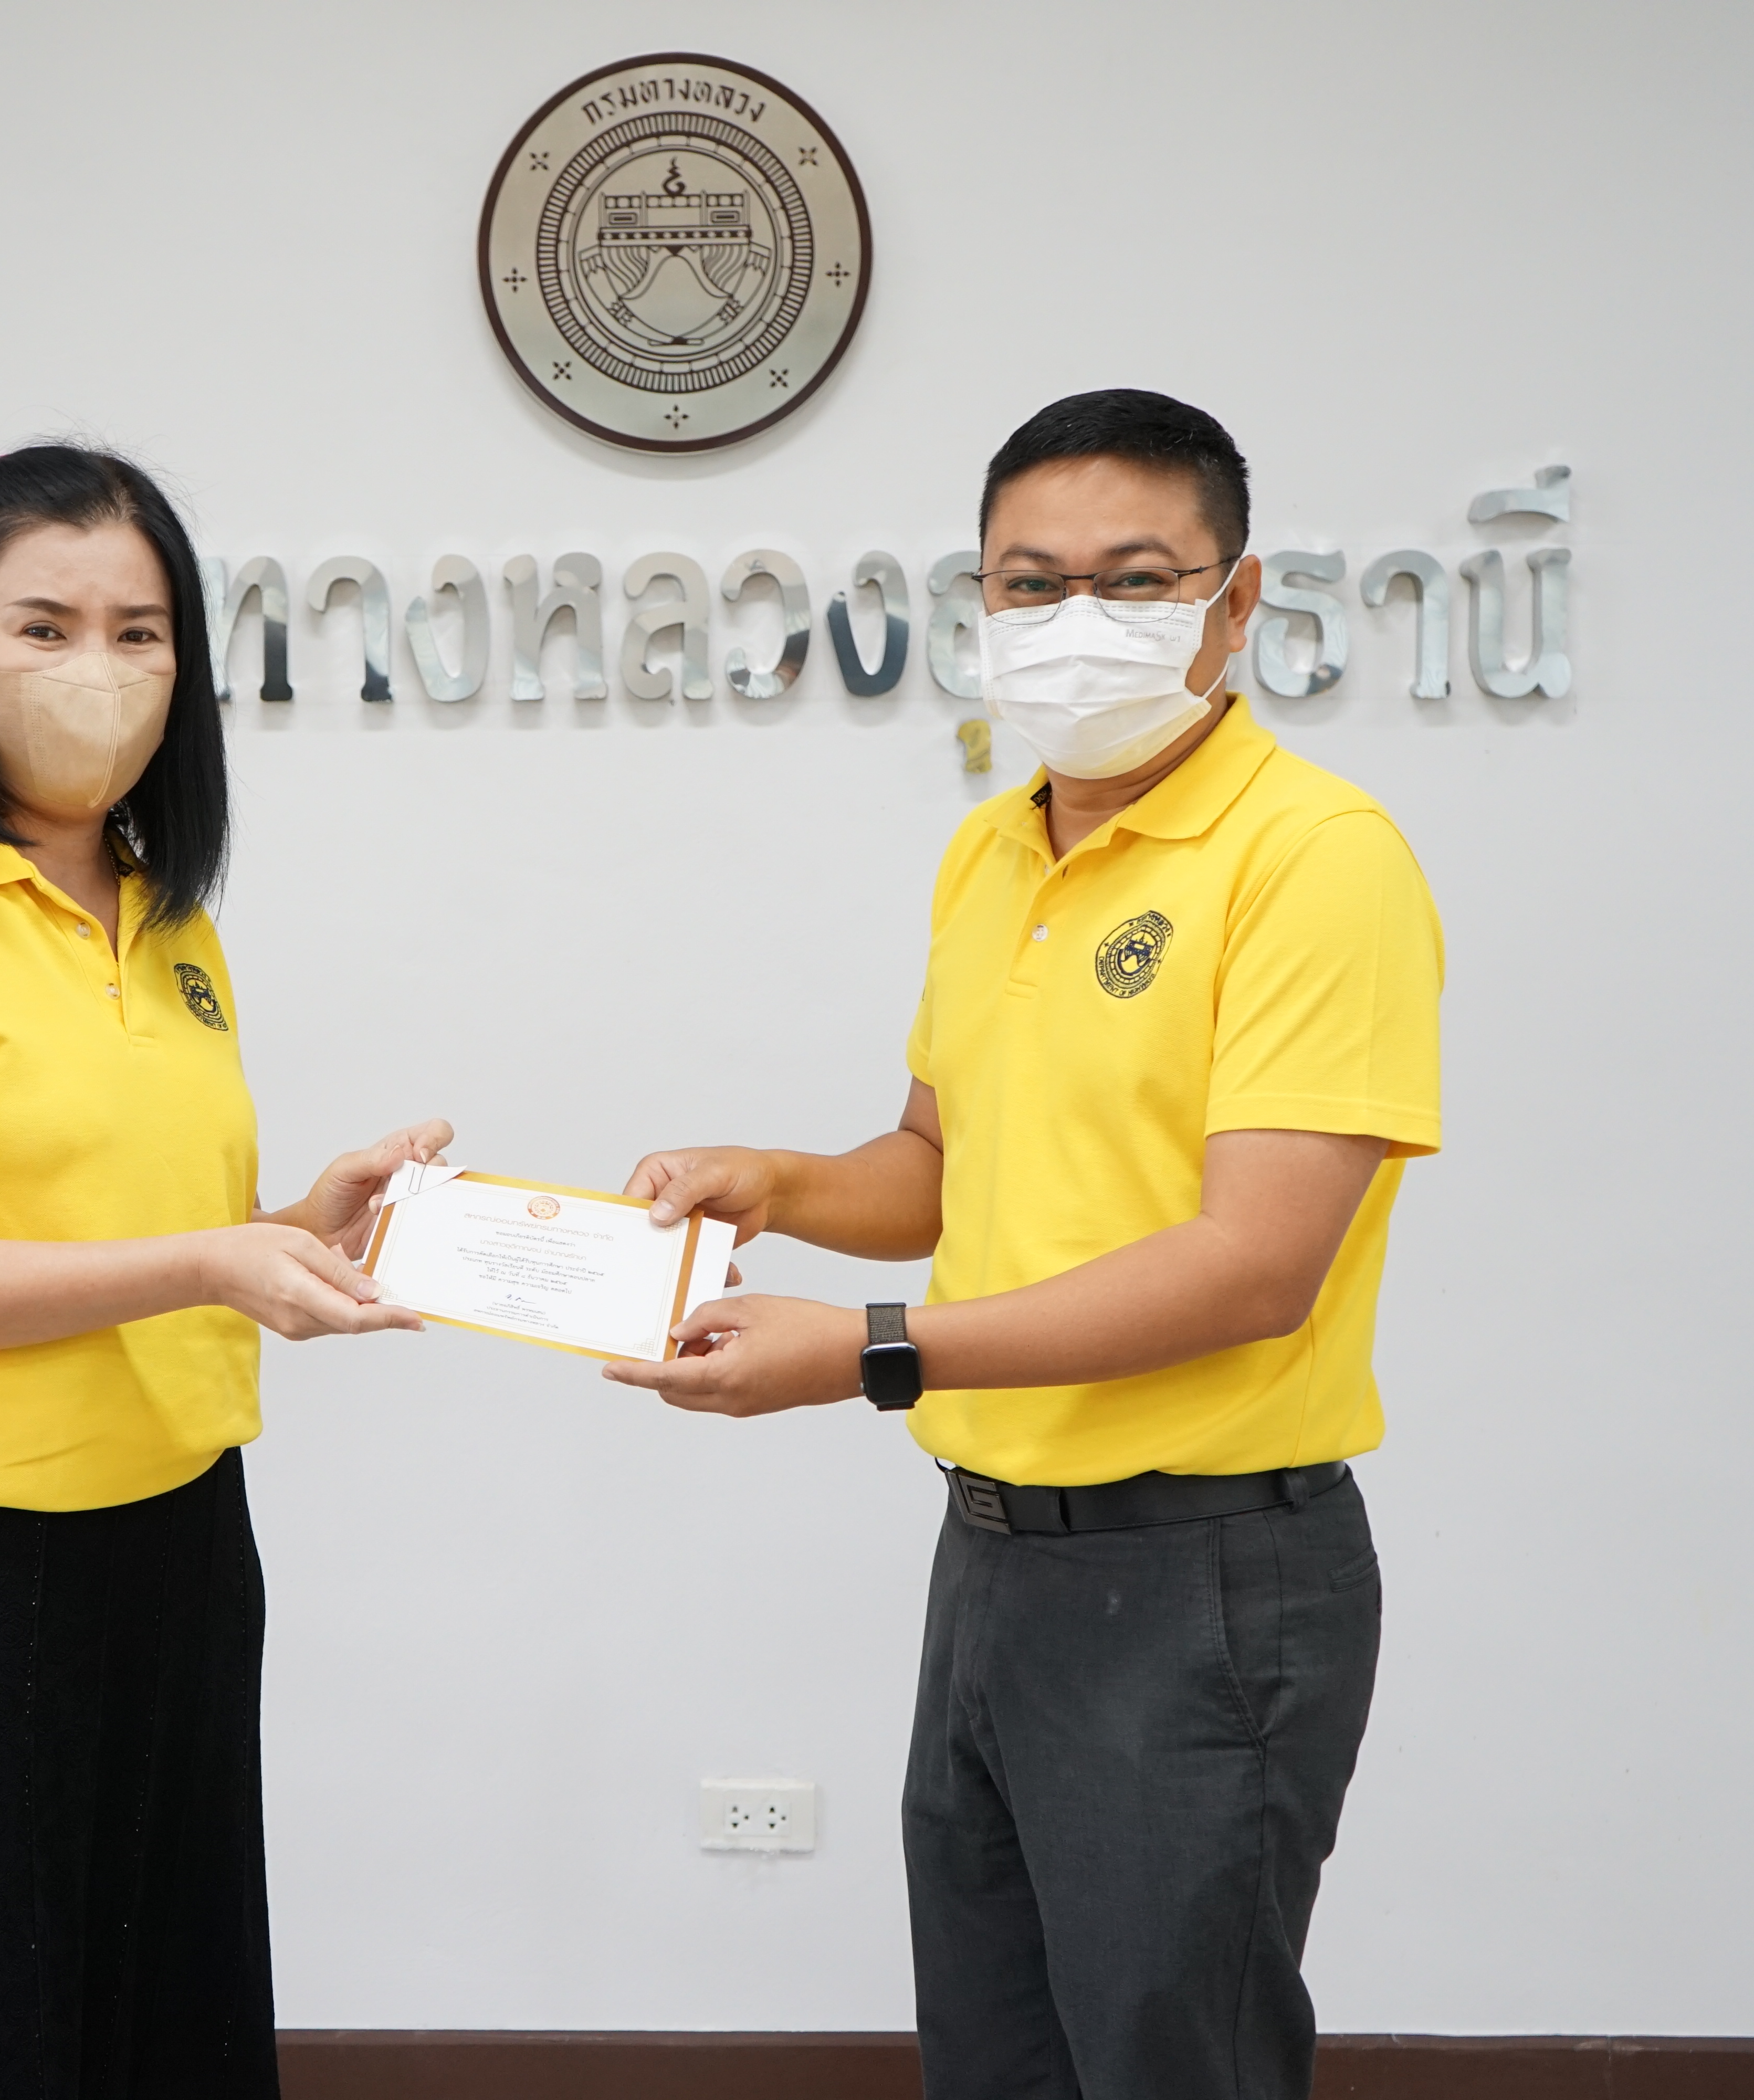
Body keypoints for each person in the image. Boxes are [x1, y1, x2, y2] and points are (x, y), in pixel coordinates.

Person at [605, 391, 1443, 2100]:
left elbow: (1255, 1266)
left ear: (1237, 601)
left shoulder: (1316, 858)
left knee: (1168, 2067)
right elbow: (938, 1164)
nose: (1075, 621)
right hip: (994, 1555)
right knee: (998, 2060)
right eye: (1030, 584)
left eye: (1134, 580)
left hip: (1205, 1574)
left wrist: (873, 1352)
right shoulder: (994, 848)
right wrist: (773, 1179)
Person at [0, 444, 444, 2099]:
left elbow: (131, 1222)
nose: (99, 670)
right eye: (44, 626)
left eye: (141, 633)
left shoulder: (168, 915)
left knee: (170, 2034)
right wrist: (208, 1256)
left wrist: (295, 1222)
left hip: (182, 1546)